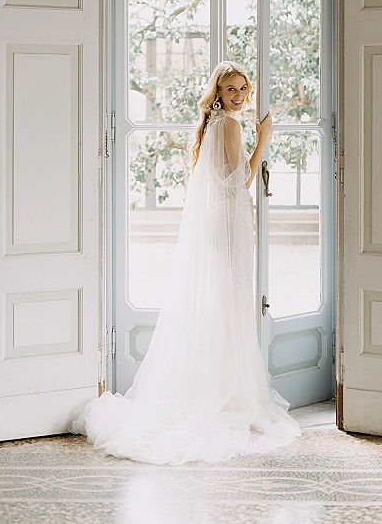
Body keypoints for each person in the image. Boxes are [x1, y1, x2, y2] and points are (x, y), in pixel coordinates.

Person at [73, 61, 301, 464]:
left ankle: (219, 386)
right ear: (217, 92)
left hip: (221, 221)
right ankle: (227, 394)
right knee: (231, 301)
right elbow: (238, 181)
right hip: (229, 221)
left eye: (244, 89)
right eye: (232, 89)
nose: (241, 96)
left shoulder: (215, 124)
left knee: (225, 303)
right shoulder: (229, 125)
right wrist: (263, 140)